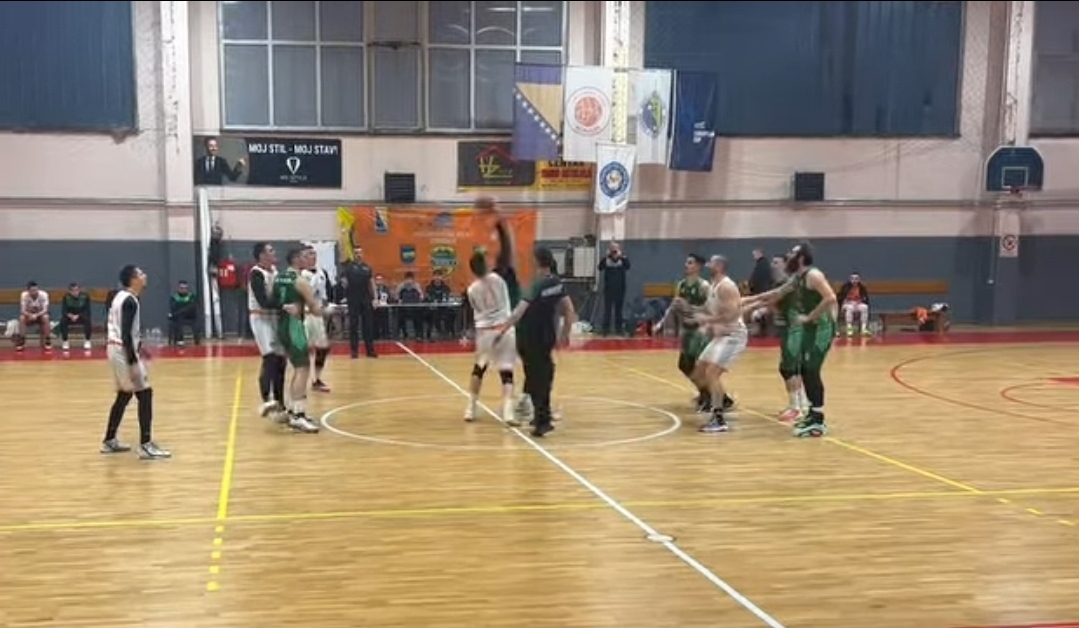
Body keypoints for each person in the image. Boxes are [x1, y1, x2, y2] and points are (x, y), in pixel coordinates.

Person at [743, 241, 837, 437]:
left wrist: (810, 317)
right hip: (810, 329)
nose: (789, 256)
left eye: (792, 253)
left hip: (821, 328)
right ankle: (812, 413)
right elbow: (777, 293)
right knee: (804, 369)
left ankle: (818, 420)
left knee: (810, 370)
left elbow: (830, 298)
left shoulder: (813, 275)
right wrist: (748, 300)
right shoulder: (797, 278)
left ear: (801, 258)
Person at [497, 247, 576, 437]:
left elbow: (519, 311)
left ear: (538, 262)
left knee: (536, 377)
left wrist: (503, 328)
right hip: (546, 335)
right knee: (543, 375)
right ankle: (541, 416)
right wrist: (565, 334)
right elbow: (569, 310)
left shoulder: (538, 285)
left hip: (530, 336)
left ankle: (542, 420)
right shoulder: (557, 283)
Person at [100, 265, 170, 460]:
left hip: (115, 349)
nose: (144, 275)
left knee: (124, 395)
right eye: (140, 273)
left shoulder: (119, 297)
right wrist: (132, 362)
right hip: (122, 351)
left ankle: (109, 440)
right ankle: (146, 445)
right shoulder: (130, 301)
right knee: (145, 394)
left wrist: (139, 351)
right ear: (133, 279)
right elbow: (125, 334)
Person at [274, 247, 333, 433]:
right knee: (303, 369)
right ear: (296, 259)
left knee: (298, 368)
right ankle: (298, 416)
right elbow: (315, 308)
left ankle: (293, 410)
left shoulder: (279, 278)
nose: (308, 259)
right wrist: (328, 311)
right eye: (304, 256)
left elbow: (274, 301)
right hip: (295, 326)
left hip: (282, 325)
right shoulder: (300, 281)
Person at [692, 255, 746, 434]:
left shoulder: (726, 286)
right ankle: (723, 400)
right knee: (699, 372)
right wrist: (697, 314)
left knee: (712, 373)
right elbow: (711, 310)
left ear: (720, 266)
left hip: (733, 335)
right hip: (721, 335)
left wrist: (708, 320)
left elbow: (733, 314)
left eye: (712, 263)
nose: (708, 265)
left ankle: (718, 418)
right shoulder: (712, 286)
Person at [652, 254, 713, 412]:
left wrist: (689, 308)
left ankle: (711, 397)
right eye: (686, 262)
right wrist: (661, 324)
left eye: (690, 262)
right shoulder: (682, 285)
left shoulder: (704, 286)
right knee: (684, 365)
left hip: (700, 329)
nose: (686, 265)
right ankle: (706, 393)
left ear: (698, 266)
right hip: (686, 329)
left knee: (698, 366)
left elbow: (711, 309)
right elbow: (673, 306)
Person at [463, 250, 517, 423]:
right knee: (506, 372)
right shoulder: (498, 279)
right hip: (504, 328)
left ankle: (470, 408)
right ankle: (508, 412)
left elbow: (475, 310)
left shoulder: (471, 290)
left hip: (485, 331)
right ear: (486, 264)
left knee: (479, 368)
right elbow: (505, 260)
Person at [248, 243, 286, 420]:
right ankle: (267, 400)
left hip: (275, 318)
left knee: (281, 360)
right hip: (260, 317)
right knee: (270, 357)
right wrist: (284, 305)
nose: (274, 252)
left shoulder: (276, 272)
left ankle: (280, 402)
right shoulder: (256, 274)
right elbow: (263, 302)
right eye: (271, 250)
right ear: (262, 255)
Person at [770, 255, 808, 422]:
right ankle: (802, 404)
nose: (773, 265)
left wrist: (748, 304)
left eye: (776, 262)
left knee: (788, 368)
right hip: (788, 327)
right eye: (772, 262)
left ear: (785, 264)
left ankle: (796, 408)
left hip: (794, 328)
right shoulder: (781, 282)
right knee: (793, 368)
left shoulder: (790, 282)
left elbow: (772, 298)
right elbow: (774, 303)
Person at [301, 247, 333, 393]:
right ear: (303, 258)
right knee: (304, 349)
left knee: (323, 348)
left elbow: (324, 294)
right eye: (309, 254)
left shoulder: (322, 273)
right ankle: (301, 380)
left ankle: (317, 379)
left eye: (314, 254)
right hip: (305, 315)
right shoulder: (301, 274)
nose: (313, 257)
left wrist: (327, 307)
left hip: (317, 315)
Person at [340, 245, 378, 358]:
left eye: (360, 253)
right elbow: (344, 283)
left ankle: (370, 350)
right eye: (356, 253)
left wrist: (375, 298)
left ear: (362, 254)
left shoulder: (367, 268)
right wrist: (345, 291)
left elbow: (371, 284)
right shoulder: (348, 268)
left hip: (366, 299)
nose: (358, 255)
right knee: (354, 325)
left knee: (368, 326)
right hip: (353, 300)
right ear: (353, 254)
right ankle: (354, 351)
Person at [598, 242, 631, 335]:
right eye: (612, 249)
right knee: (607, 310)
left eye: (615, 249)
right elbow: (600, 267)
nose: (614, 251)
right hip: (609, 289)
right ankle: (605, 330)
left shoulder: (623, 259)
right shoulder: (606, 260)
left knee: (618, 310)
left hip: (620, 289)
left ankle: (618, 330)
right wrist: (606, 257)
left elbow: (628, 266)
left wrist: (621, 256)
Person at [15, 281, 51, 352]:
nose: (34, 292)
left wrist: (36, 315)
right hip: (29, 315)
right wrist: (30, 315)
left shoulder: (44, 295)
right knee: (22, 318)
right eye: (32, 290)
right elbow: (22, 310)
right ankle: (21, 340)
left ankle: (47, 340)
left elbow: (45, 310)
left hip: (40, 315)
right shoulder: (24, 295)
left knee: (46, 317)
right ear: (28, 291)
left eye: (36, 290)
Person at [59, 282, 93, 351]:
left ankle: (87, 340)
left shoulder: (85, 296)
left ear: (79, 290)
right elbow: (64, 310)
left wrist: (78, 315)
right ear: (69, 291)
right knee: (63, 321)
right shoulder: (66, 297)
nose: (75, 292)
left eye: (77, 290)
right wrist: (70, 315)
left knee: (87, 320)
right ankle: (65, 341)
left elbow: (87, 310)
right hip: (70, 317)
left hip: (81, 316)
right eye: (73, 291)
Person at [837, 272, 872, 337]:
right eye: (853, 279)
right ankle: (849, 328)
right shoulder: (845, 287)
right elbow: (840, 298)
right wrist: (846, 302)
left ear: (859, 279)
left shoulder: (862, 288)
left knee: (865, 307)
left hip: (858, 304)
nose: (854, 280)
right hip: (847, 304)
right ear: (850, 279)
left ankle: (863, 329)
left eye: (856, 279)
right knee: (850, 308)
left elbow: (865, 298)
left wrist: (860, 301)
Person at [167, 280, 201, 346]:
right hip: (178, 318)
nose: (183, 290)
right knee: (178, 318)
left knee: (181, 313)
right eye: (181, 288)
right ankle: (180, 339)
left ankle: (195, 340)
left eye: (185, 288)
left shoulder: (191, 297)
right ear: (178, 288)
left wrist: (175, 314)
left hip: (190, 316)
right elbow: (173, 307)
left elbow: (192, 308)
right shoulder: (174, 298)